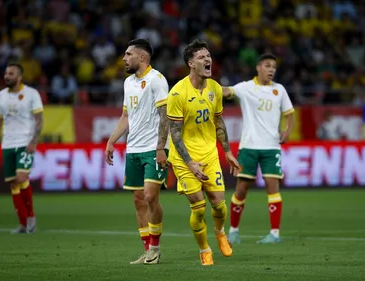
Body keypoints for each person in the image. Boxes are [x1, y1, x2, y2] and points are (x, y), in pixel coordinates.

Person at [166, 39, 241, 266]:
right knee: (198, 207)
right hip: (183, 156)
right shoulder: (178, 93)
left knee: (219, 204)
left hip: (209, 154)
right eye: (201, 57)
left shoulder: (215, 89)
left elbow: (219, 122)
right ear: (191, 63)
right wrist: (190, 163)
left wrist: (227, 151)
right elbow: (175, 134)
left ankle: (219, 232)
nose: (207, 59)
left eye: (209, 56)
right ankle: (204, 249)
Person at [105, 39, 169, 265]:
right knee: (138, 200)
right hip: (133, 149)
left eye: (128, 54)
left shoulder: (157, 80)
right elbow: (126, 117)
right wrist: (112, 141)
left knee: (151, 196)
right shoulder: (128, 83)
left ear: (142, 57)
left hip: (154, 148)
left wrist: (161, 148)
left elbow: (165, 116)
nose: (124, 58)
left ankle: (155, 247)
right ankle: (147, 251)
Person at [222, 54, 295, 244]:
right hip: (249, 147)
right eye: (267, 65)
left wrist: (287, 131)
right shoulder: (246, 88)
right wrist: (208, 87)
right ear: (258, 67)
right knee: (241, 189)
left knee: (273, 187)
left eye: (274, 67)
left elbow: (289, 113)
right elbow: (227, 92)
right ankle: (234, 231)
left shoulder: (279, 90)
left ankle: (275, 234)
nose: (271, 69)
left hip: (271, 147)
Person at [0, 63, 43, 234]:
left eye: (10, 74)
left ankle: (31, 217)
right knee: (13, 184)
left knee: (21, 177)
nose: (6, 76)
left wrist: (34, 141)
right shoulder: (0, 96)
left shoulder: (31, 94)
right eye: (5, 73)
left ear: (19, 77)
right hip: (7, 144)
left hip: (25, 142)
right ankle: (23, 224)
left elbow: (39, 119)